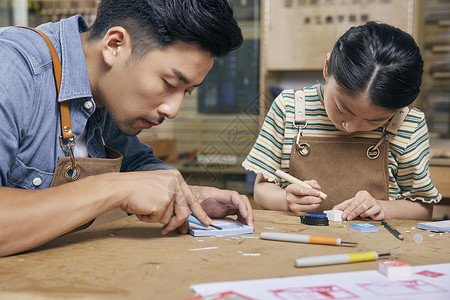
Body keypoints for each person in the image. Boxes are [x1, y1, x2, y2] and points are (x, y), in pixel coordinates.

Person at [0, 0, 254, 257]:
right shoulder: (11, 70)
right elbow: (127, 183)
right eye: (169, 83)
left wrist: (187, 197)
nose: (173, 110)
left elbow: (137, 167)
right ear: (114, 45)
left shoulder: (108, 95)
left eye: (186, 92)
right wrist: (115, 188)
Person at [243, 21, 441, 222]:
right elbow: (261, 189)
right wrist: (286, 200)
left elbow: (423, 209)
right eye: (342, 108)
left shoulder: (408, 123)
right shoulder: (290, 107)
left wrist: (383, 208)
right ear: (327, 68)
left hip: (378, 247)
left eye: (375, 121)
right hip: (300, 241)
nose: (351, 127)